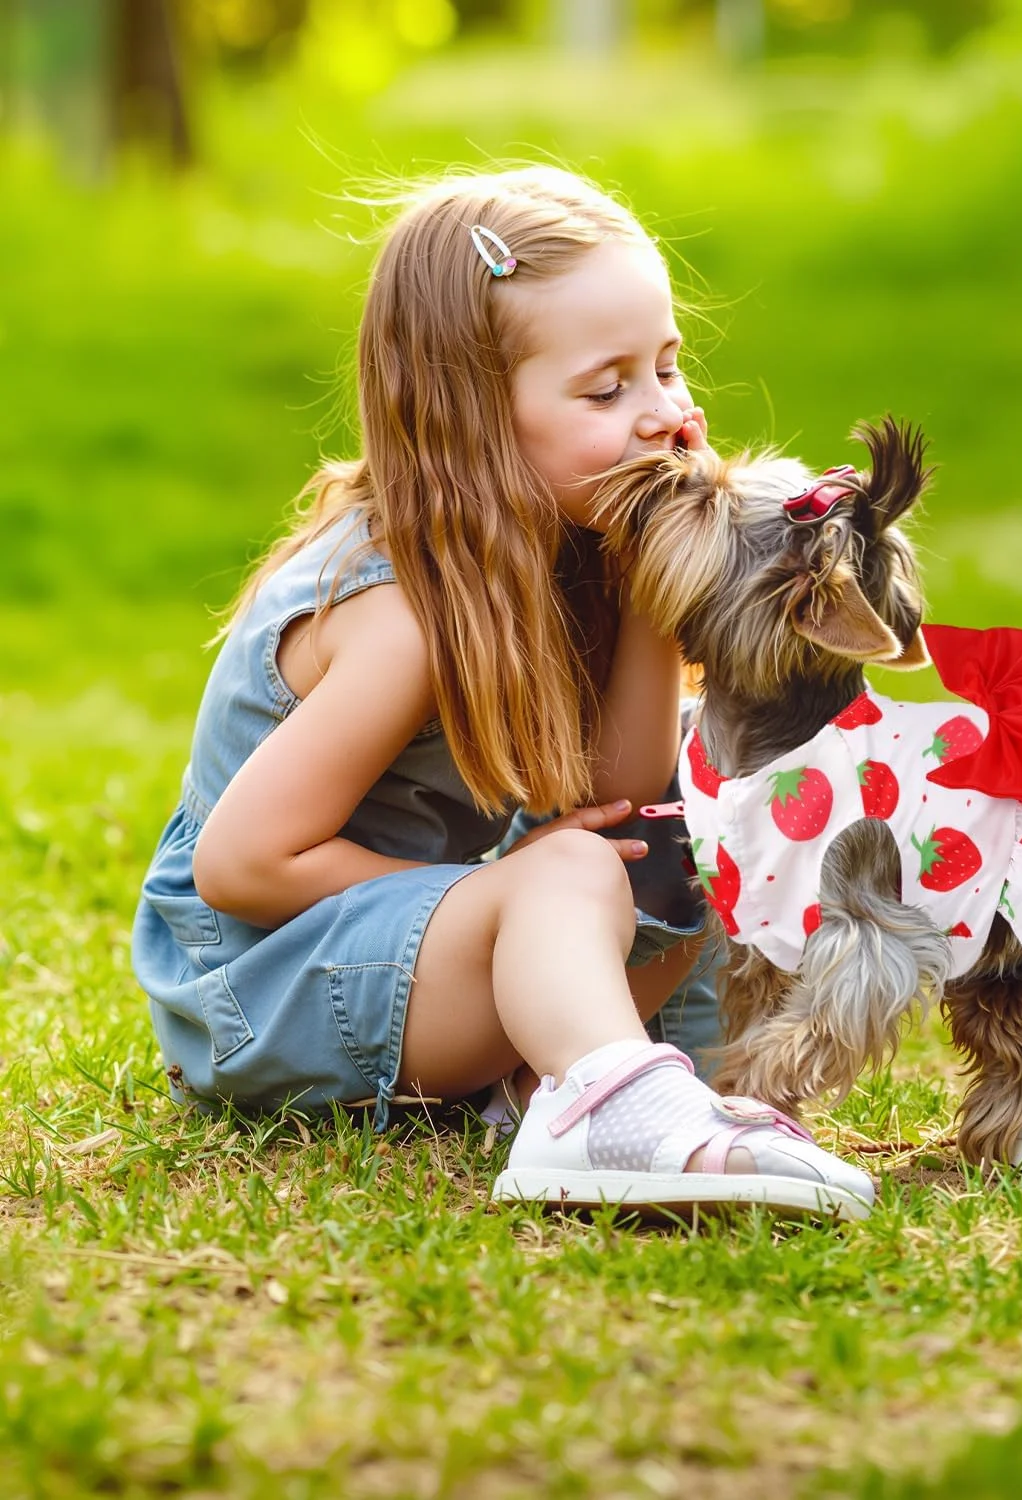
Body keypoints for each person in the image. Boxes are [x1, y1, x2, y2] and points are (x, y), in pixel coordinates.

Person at [131, 167, 874, 1222]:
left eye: (666, 367)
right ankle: (605, 1105)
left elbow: (622, 788)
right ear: (474, 418)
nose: (665, 411)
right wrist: (501, 894)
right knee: (568, 870)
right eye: (607, 388)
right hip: (262, 985)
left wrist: (655, 584)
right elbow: (246, 865)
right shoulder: (402, 615)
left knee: (678, 840)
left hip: (394, 970)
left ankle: (614, 1092)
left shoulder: (566, 549)